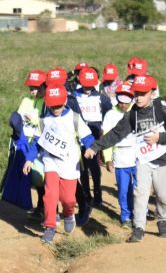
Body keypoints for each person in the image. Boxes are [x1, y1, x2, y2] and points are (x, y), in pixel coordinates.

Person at [84, 75, 166, 243]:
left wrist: (159, 137)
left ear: (152, 93)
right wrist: (95, 147)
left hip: (163, 159)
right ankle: (139, 227)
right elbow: (115, 133)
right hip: (143, 160)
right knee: (140, 194)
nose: (138, 97)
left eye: (143, 94)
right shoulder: (132, 115)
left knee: (163, 196)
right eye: (136, 93)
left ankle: (162, 219)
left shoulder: (161, 108)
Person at [23, 85, 94, 244]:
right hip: (50, 162)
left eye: (58, 105)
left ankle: (69, 214)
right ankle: (50, 226)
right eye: (52, 105)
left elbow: (87, 136)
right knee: (50, 194)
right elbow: (36, 143)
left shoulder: (74, 118)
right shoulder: (43, 121)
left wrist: (90, 147)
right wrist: (29, 159)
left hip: (70, 164)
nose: (55, 108)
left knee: (68, 199)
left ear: (65, 101)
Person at [1, 70, 45, 214]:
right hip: (24, 143)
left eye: (36, 88)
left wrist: (35, 120)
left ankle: (46, 207)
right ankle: (31, 204)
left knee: (40, 176)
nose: (33, 91)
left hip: (39, 143)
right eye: (30, 88)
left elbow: (47, 124)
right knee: (28, 175)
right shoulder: (26, 101)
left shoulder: (47, 103)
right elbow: (19, 120)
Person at [74, 67, 113, 207]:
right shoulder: (74, 96)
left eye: (91, 83)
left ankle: (97, 193)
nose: (88, 87)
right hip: (78, 134)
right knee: (83, 166)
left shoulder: (101, 97)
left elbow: (110, 112)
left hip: (95, 133)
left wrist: (105, 128)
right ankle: (86, 194)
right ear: (80, 80)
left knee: (94, 165)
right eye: (85, 83)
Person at [102, 82, 136, 227]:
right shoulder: (110, 115)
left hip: (137, 155)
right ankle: (125, 216)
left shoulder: (137, 112)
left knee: (138, 188)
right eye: (121, 102)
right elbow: (107, 138)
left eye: (127, 102)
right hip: (120, 155)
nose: (124, 105)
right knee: (123, 189)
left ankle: (139, 212)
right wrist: (108, 159)